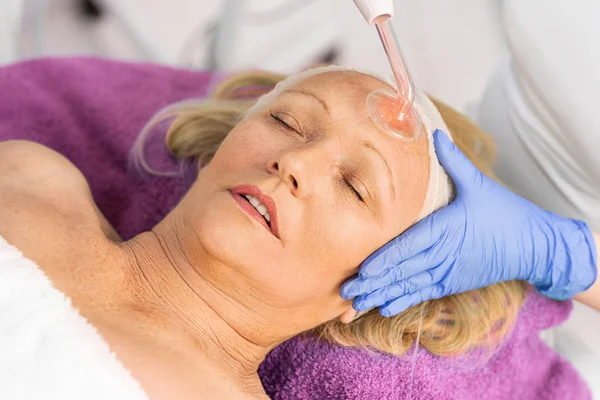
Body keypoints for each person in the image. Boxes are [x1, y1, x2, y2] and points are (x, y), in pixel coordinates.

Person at [0, 65, 531, 399]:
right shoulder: (32, 177)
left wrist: (561, 257)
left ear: (385, 286)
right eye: (287, 122)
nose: (296, 161)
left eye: (354, 186)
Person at [341, 131, 600, 315]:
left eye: (354, 189)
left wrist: (553, 251)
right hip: (481, 146)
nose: (299, 159)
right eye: (297, 128)